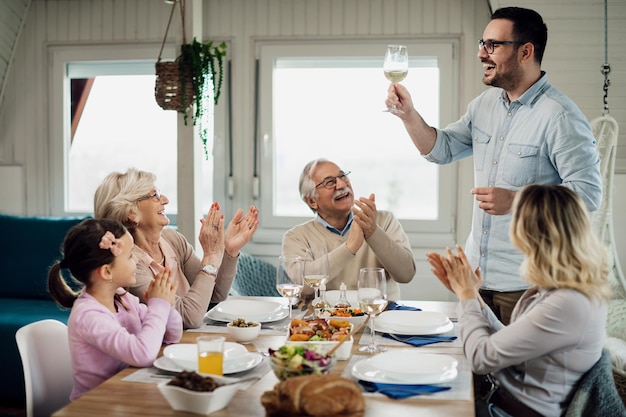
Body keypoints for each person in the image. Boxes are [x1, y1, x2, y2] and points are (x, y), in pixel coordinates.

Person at [386, 7, 602, 324]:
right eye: (481, 43)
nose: (480, 53)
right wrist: (408, 115)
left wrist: (516, 200)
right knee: (476, 369)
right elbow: (441, 150)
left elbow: (588, 196)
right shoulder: (484, 105)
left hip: (528, 286)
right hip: (476, 279)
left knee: (519, 374)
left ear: (526, 51)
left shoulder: (561, 117)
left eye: (492, 45)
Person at [428, 184, 611, 417]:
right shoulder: (566, 287)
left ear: (531, 233)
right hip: (504, 402)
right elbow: (508, 338)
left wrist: (466, 297)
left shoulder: (568, 302)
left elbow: (481, 358)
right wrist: (472, 295)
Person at [93, 168, 259, 329]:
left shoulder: (172, 239)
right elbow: (188, 318)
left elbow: (214, 294)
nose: (165, 200)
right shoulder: (128, 267)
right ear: (132, 213)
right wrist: (211, 256)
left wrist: (230, 251)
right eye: (155, 195)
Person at [48, 218, 183, 400]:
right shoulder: (88, 317)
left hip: (126, 396)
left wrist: (164, 302)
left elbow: (172, 335)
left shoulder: (122, 298)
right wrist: (158, 306)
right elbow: (142, 354)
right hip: (96, 406)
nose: (136, 260)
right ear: (107, 272)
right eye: (129, 256)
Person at [282, 158, 415, 300]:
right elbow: (303, 285)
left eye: (342, 176)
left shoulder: (383, 220)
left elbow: (406, 274)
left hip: (380, 317)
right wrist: (350, 247)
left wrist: (373, 232)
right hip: (322, 321)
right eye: (329, 182)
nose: (340, 185)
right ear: (312, 201)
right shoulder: (296, 237)